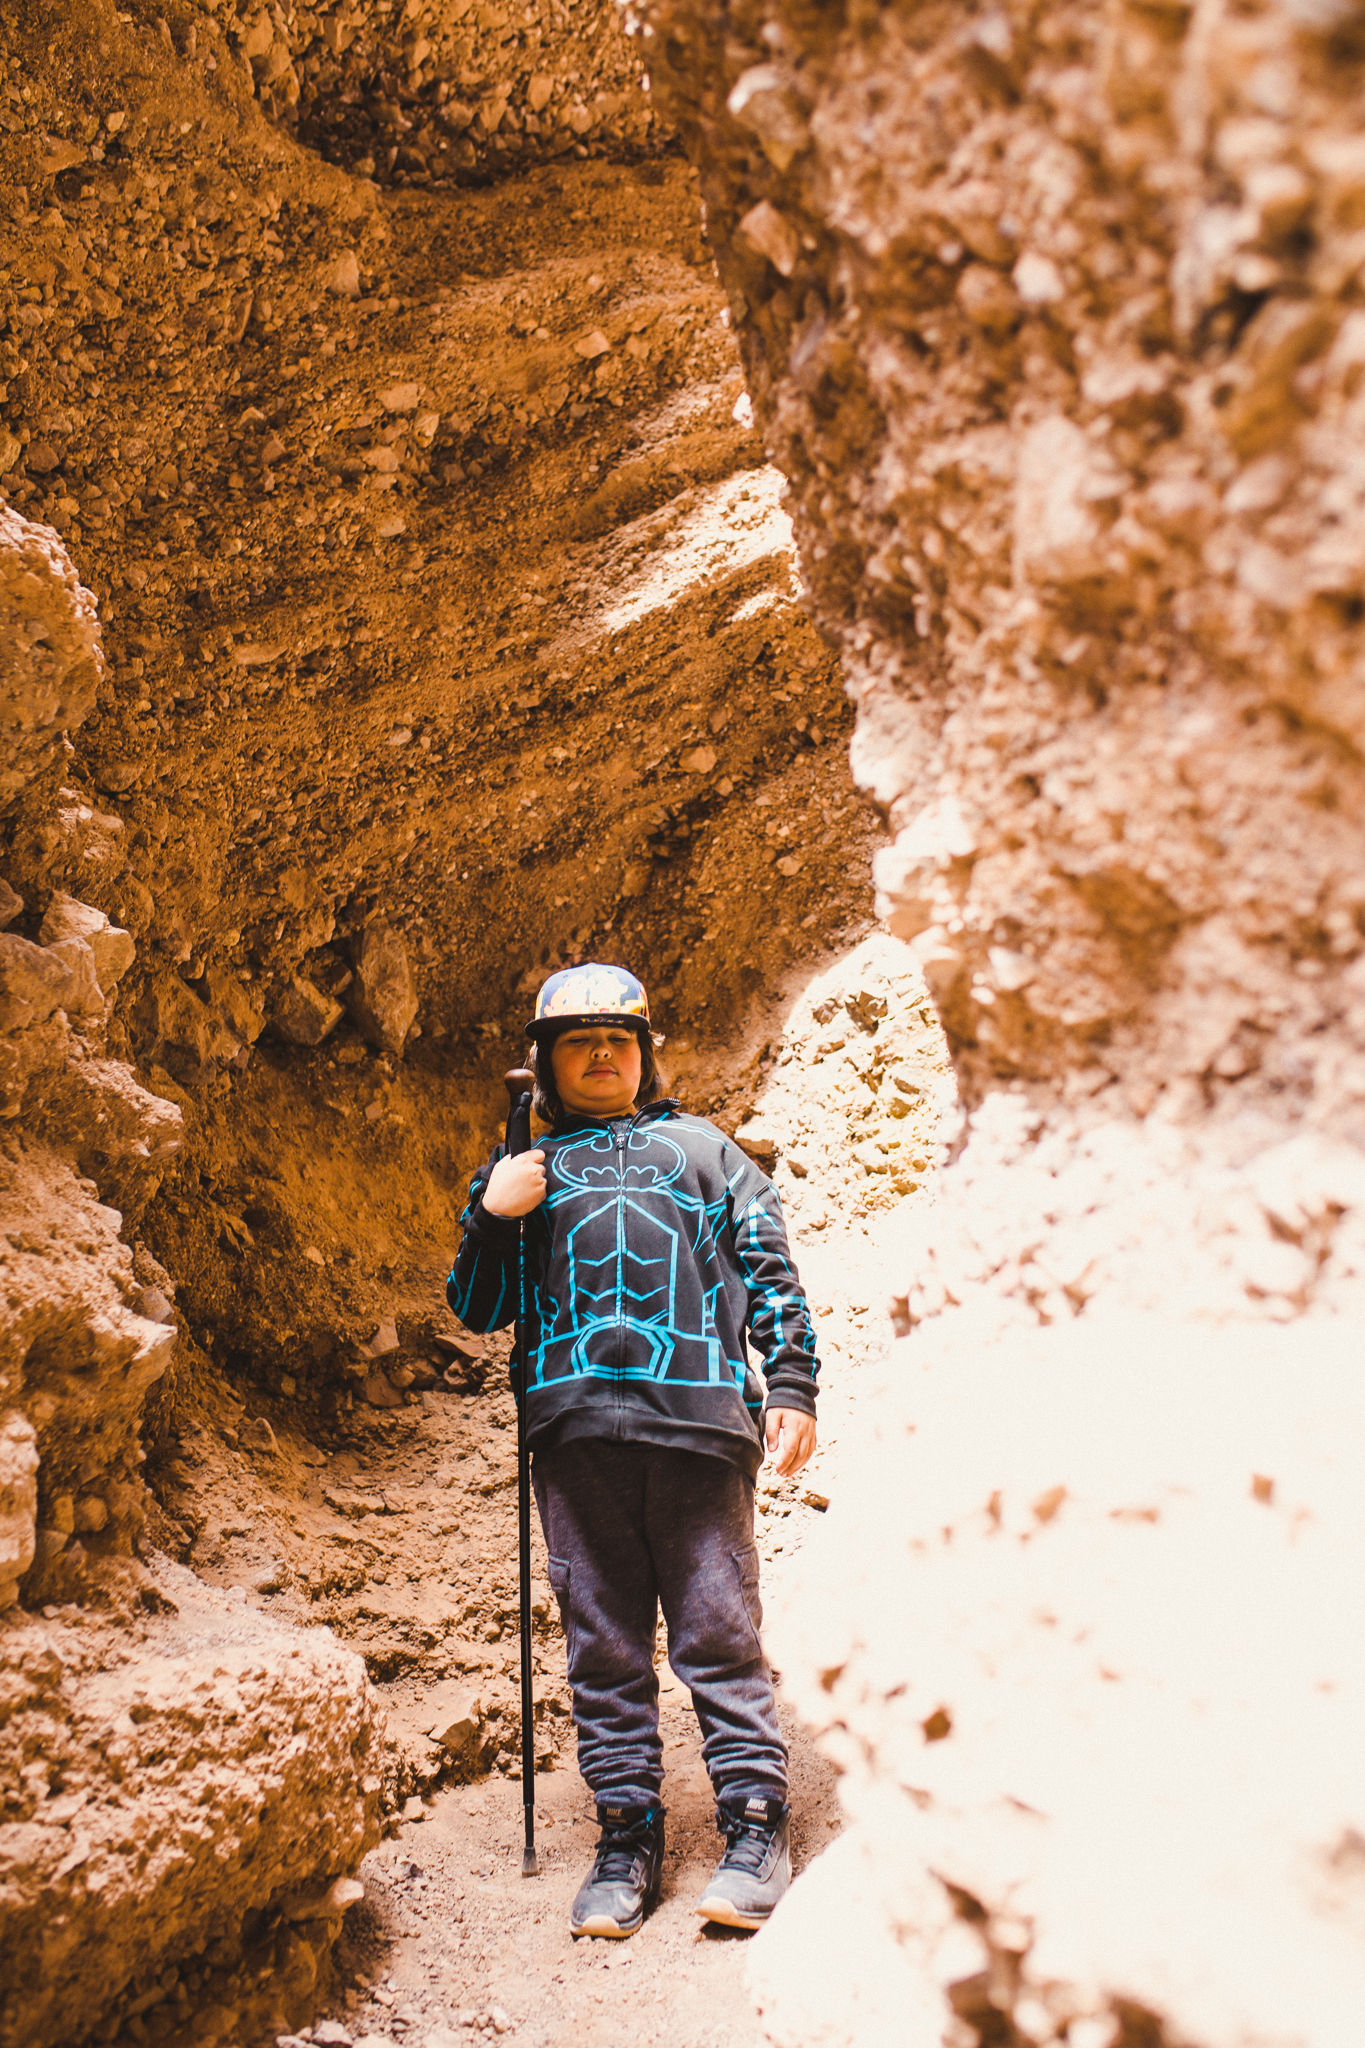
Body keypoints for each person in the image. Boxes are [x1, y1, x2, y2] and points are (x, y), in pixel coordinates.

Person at [447, 962, 820, 1939]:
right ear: (545, 1063)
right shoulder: (522, 1172)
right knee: (603, 1646)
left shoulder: (705, 1151)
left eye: (621, 1037)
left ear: (647, 1052)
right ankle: (627, 1832)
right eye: (579, 1040)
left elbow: (769, 1266)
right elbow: (480, 1308)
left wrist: (791, 1384)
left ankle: (752, 1821)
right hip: (572, 1435)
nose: (603, 1053)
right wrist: (495, 1211)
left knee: (716, 1631)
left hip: (699, 1426)